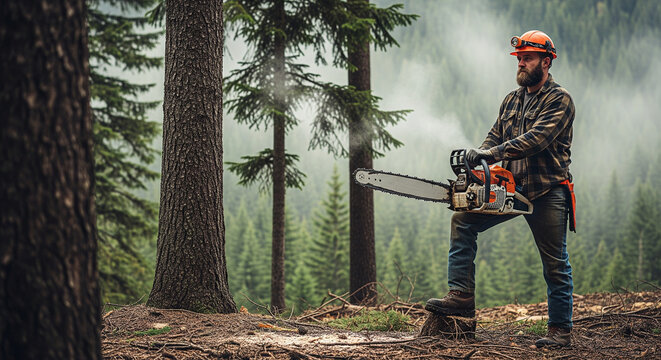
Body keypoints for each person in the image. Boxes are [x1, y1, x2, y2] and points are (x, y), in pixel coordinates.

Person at [425, 30, 576, 347]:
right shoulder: (511, 100)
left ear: (546, 62)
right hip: (513, 187)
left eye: (528, 58)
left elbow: (535, 140)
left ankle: (560, 331)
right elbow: (494, 138)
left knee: (555, 263)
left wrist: (491, 155)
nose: (521, 63)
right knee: (463, 221)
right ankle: (461, 296)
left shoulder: (559, 99)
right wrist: (479, 159)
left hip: (548, 191)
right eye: (519, 59)